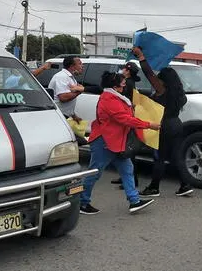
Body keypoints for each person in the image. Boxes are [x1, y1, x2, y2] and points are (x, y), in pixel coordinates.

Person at [80, 72, 160, 215]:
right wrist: (148, 124)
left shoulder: (114, 98)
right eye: (122, 85)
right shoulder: (109, 100)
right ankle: (82, 202)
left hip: (115, 141)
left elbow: (125, 117)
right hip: (105, 141)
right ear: (115, 86)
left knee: (127, 169)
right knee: (95, 173)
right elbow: (124, 119)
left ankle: (134, 201)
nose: (125, 87)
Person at [132, 47, 194, 198]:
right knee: (176, 156)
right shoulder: (179, 93)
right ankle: (185, 185)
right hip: (177, 125)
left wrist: (141, 56)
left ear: (164, 81)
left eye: (160, 78)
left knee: (160, 158)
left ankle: (154, 188)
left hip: (164, 126)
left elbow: (148, 74)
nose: (157, 80)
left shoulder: (162, 90)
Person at [112, 61, 143, 188]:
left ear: (128, 71)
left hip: (125, 119)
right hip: (128, 117)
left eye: (124, 69)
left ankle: (132, 180)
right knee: (124, 151)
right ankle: (125, 177)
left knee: (128, 152)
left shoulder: (127, 84)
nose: (122, 70)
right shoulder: (131, 83)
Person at [48, 56, 85, 121]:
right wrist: (80, 91)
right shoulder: (62, 76)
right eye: (80, 64)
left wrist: (74, 116)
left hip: (63, 115)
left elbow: (67, 102)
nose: (82, 66)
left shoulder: (70, 77)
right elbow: (63, 97)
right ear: (72, 66)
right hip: (58, 116)